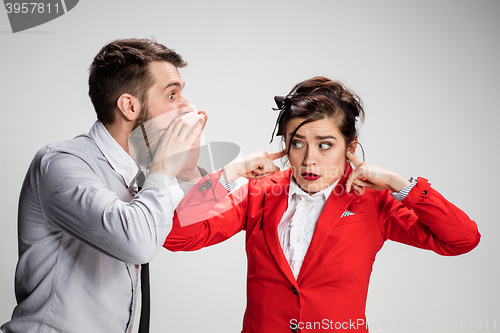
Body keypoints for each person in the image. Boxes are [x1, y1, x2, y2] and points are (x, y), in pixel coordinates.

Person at [1, 38, 277, 333]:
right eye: (173, 95)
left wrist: (222, 170)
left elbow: (181, 218)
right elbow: (138, 242)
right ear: (129, 106)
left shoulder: (137, 172)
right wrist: (164, 167)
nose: (187, 107)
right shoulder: (61, 164)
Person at [164, 76, 481, 332]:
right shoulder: (258, 193)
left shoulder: (373, 201)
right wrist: (230, 173)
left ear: (350, 146)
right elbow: (174, 235)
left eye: (325, 145)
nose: (309, 159)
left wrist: (400, 185)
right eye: (297, 144)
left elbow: (461, 239)